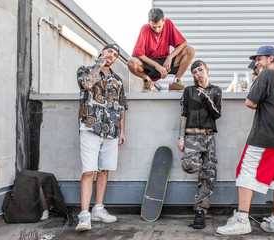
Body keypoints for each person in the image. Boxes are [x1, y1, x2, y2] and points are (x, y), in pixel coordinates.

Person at [217, 46, 274, 235]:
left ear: (271, 58)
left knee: (246, 171)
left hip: (265, 135)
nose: (257, 63)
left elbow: (250, 102)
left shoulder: (267, 74)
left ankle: (242, 219)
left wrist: (256, 82)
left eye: (259, 59)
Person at [75, 43, 128, 231]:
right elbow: (87, 84)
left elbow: (121, 107)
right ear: (101, 52)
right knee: (89, 171)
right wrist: (99, 63)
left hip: (112, 130)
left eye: (115, 54)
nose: (111, 55)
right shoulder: (86, 70)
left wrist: (122, 131)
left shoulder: (118, 80)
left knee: (104, 170)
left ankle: (98, 208)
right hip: (90, 127)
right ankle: (84, 216)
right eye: (109, 51)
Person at [178, 60, 222, 229]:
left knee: (209, 173)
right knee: (189, 165)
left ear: (207, 70)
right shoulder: (188, 91)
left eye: (200, 70)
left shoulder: (215, 90)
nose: (198, 73)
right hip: (192, 136)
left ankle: (200, 211)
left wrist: (207, 97)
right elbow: (183, 115)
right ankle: (200, 206)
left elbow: (217, 114)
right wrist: (181, 137)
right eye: (195, 71)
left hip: (209, 136)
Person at [128, 8, 195, 92]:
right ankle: (147, 82)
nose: (157, 30)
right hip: (150, 65)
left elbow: (184, 43)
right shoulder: (145, 29)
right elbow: (138, 54)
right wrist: (157, 65)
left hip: (166, 63)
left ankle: (176, 81)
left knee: (190, 50)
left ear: (163, 20)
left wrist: (170, 57)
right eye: (154, 27)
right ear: (149, 21)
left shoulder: (168, 24)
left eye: (159, 26)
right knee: (131, 62)